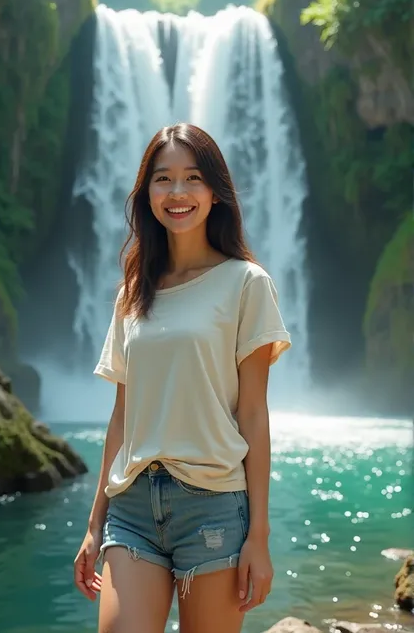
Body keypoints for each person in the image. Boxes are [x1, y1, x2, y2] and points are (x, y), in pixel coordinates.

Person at [74, 123, 291, 633]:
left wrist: (258, 535)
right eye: (162, 179)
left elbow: (253, 414)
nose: (177, 193)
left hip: (213, 506)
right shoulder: (134, 291)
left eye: (192, 178)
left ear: (215, 191)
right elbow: (123, 414)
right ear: (146, 192)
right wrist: (92, 525)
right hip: (131, 509)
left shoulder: (246, 283)